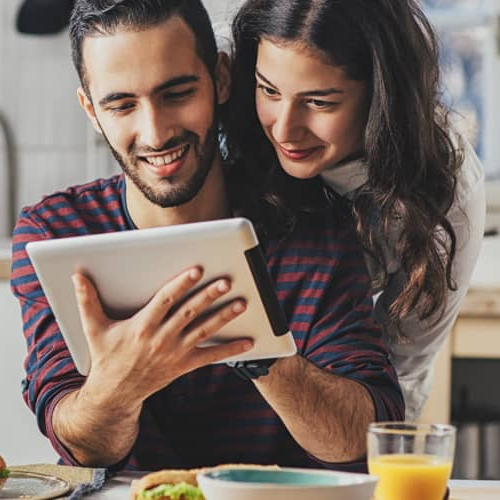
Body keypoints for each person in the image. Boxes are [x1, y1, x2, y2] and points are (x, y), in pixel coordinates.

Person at [10, 0, 403, 472]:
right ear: (91, 111)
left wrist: (262, 352)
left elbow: (364, 438)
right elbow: (79, 442)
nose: (155, 133)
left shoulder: (313, 225)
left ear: (219, 78)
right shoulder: (53, 234)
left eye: (176, 94)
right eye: (122, 105)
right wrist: (121, 381)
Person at [227, 0, 486, 420]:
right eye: (269, 90)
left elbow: (401, 366)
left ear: (382, 96)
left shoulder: (445, 190)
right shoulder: (230, 113)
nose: (283, 128)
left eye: (319, 102)